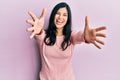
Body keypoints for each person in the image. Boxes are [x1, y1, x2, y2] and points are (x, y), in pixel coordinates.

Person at [26, 2, 106, 80]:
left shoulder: (71, 37)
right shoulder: (44, 36)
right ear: (53, 15)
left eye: (65, 15)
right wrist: (38, 31)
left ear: (68, 19)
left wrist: (85, 36)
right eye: (58, 13)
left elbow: (79, 36)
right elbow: (39, 34)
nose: (60, 17)